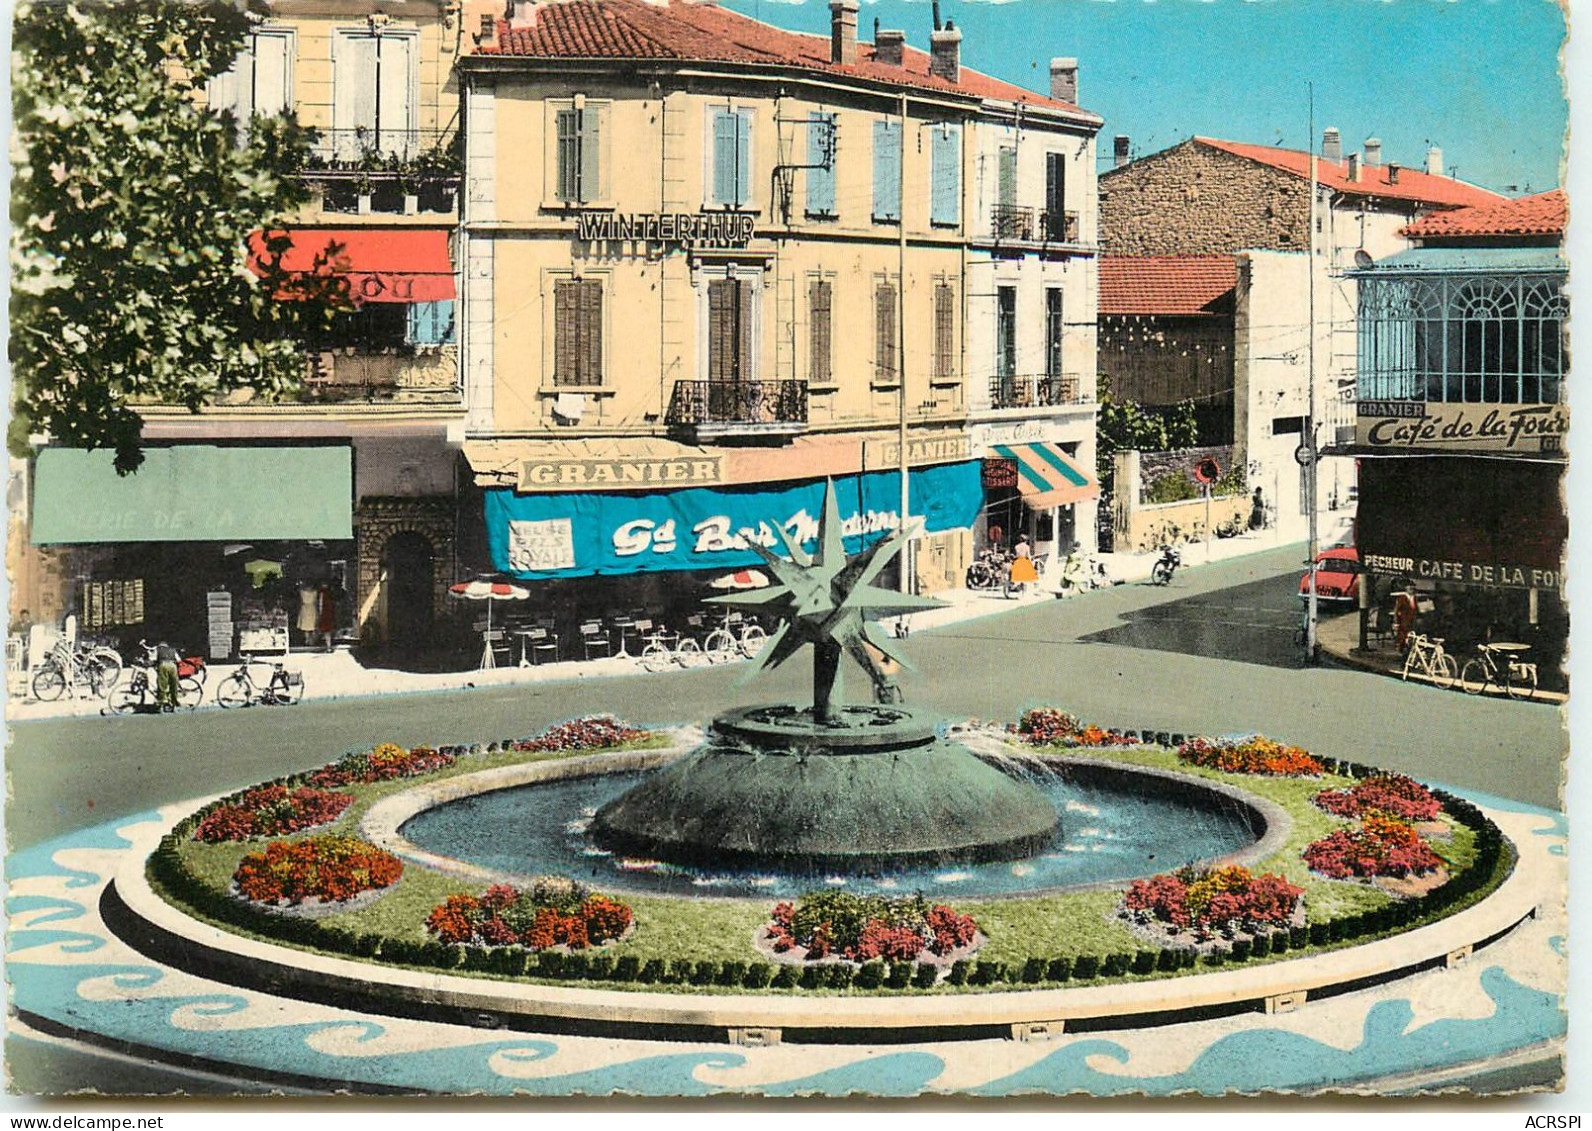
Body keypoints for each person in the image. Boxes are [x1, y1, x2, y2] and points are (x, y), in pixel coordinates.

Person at [154, 640, 180, 712]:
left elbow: (152, 659)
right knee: (174, 686)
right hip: (173, 666)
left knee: (162, 686)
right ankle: (174, 705)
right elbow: (178, 660)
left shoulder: (158, 650)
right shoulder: (173, 650)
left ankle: (161, 706)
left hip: (163, 665)